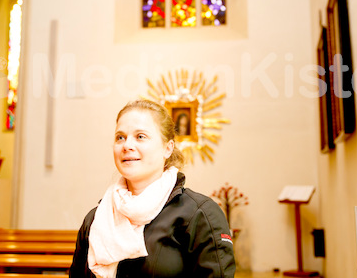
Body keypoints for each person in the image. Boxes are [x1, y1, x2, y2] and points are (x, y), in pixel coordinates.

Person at [69, 99, 235, 278]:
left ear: (168, 148)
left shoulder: (201, 215)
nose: (127, 146)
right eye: (120, 137)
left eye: (140, 136)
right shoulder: (96, 218)